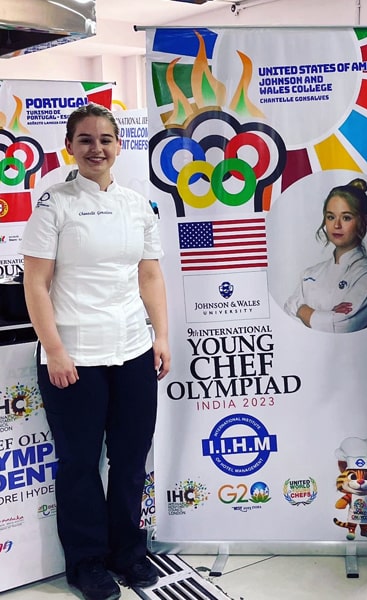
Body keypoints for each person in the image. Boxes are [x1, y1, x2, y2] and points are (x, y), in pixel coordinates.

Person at [20, 103, 171, 600]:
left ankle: (129, 550)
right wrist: (55, 350)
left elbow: (149, 275)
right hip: (74, 356)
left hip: (131, 350)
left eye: (105, 139)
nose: (96, 149)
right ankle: (86, 562)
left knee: (130, 458)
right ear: (69, 146)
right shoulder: (54, 203)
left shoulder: (136, 204)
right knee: (81, 463)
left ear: (118, 145)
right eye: (85, 139)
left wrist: (161, 337)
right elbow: (36, 284)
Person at [284, 178, 367, 333]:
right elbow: (288, 313)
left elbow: (343, 324)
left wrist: (302, 309)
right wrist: (326, 316)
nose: (336, 225)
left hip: (353, 355)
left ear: (363, 221)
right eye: (331, 217)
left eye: (346, 217)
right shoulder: (310, 273)